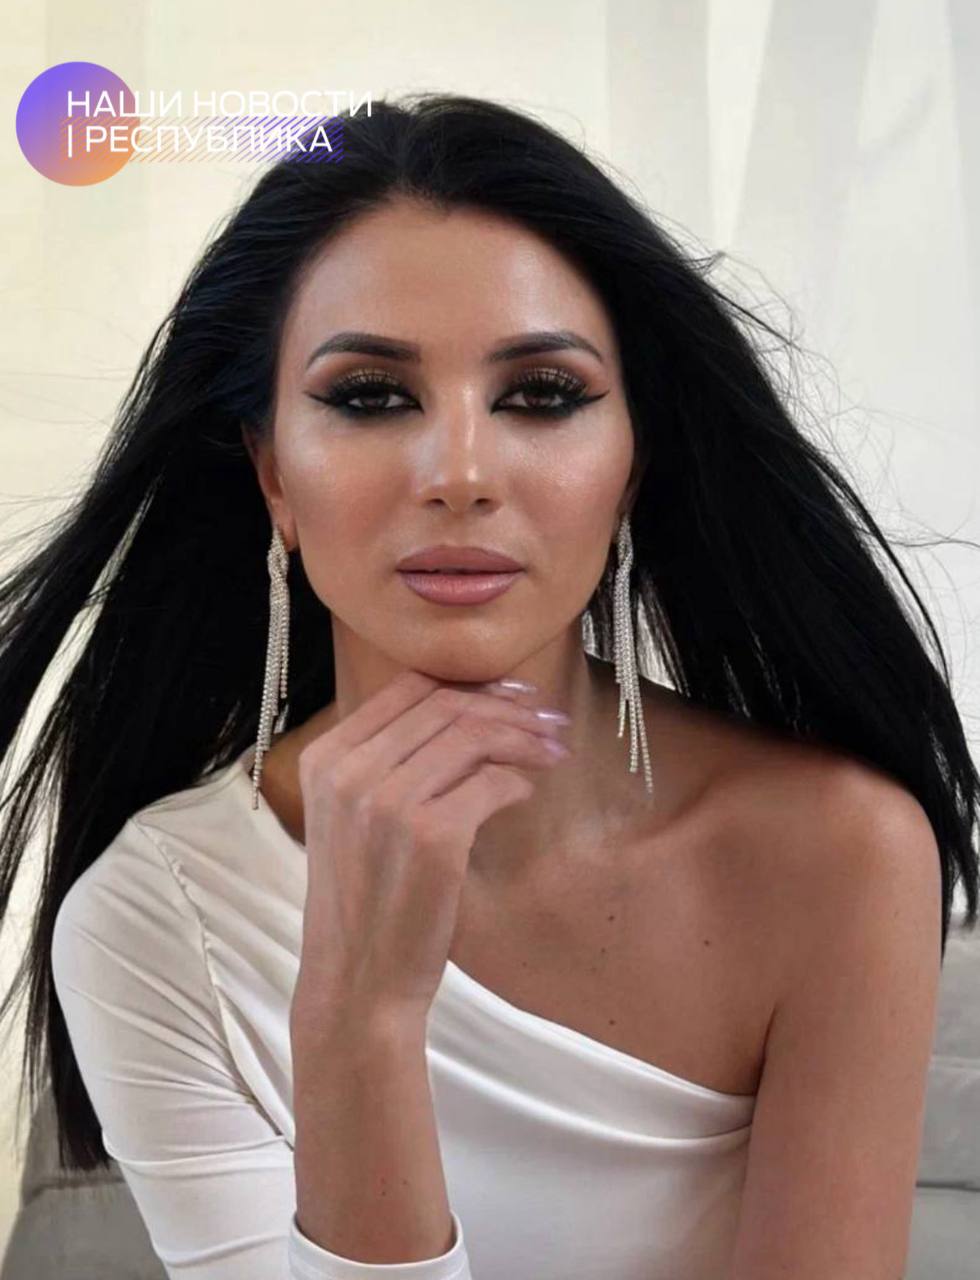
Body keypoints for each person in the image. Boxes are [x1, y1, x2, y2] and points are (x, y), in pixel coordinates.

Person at [0, 91, 976, 1279]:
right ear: (273, 476)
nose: (459, 471)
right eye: (370, 395)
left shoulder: (838, 852)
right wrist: (357, 1020)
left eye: (541, 395)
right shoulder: (159, 921)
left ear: (630, 466)